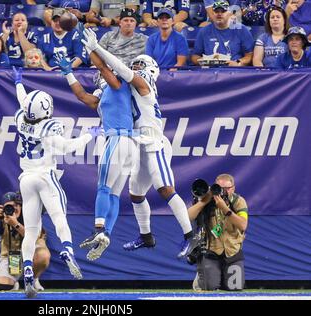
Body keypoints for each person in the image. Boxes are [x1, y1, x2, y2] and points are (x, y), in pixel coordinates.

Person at [80, 28, 197, 257]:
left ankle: (190, 236)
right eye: (134, 66)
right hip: (136, 143)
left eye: (138, 66)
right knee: (135, 194)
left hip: (153, 142)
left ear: (150, 70)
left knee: (164, 188)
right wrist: (92, 55)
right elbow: (108, 74)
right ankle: (146, 236)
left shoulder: (145, 87)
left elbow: (120, 70)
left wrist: (98, 48)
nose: (134, 69)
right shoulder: (128, 89)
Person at [11, 66, 100, 298]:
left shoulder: (21, 117)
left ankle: (28, 269)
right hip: (45, 175)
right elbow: (66, 147)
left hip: (26, 178)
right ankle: (68, 250)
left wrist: (18, 82)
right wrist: (91, 134)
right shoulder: (50, 125)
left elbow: (23, 101)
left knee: (31, 230)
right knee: (59, 217)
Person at [55, 47, 137, 261]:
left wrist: (91, 47)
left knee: (103, 187)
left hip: (117, 138)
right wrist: (68, 73)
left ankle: (98, 229)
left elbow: (102, 68)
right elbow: (83, 96)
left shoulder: (117, 83)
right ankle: (106, 233)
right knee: (114, 194)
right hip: (129, 144)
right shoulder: (106, 95)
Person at [187, 174, 248, 291]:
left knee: (234, 288)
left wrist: (225, 208)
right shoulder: (207, 200)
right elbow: (188, 217)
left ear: (233, 188)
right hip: (211, 251)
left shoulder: (238, 201)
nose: (223, 192)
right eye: (220, 188)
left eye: (227, 189)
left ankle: (210, 275)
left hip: (232, 251)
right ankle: (201, 279)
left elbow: (243, 225)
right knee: (209, 287)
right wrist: (204, 201)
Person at [0, 191, 50, 291]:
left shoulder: (30, 217)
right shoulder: (2, 219)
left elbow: (34, 238)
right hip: (13, 257)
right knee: (4, 286)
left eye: (16, 205)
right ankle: (14, 281)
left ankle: (34, 278)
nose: (14, 208)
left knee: (43, 255)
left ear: (22, 206)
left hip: (31, 255)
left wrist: (15, 223)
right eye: (9, 206)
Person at [191, 1, 254, 67]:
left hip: (234, 71)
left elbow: (250, 55)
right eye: (216, 11)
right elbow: (195, 56)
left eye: (223, 11)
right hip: (210, 71)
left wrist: (238, 63)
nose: (219, 14)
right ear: (212, 13)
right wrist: (203, 61)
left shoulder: (241, 30)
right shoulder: (204, 31)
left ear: (230, 13)